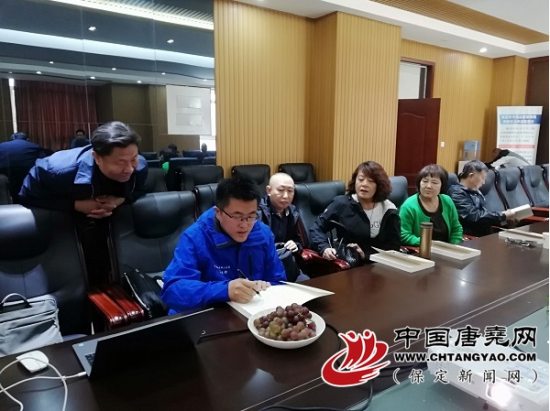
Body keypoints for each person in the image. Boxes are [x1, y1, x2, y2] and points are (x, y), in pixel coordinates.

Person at [161, 175, 286, 312]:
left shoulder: (263, 233)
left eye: (251, 216)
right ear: (218, 212)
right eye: (237, 216)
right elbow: (172, 290)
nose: (244, 225)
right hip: (206, 314)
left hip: (252, 312)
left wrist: (266, 287)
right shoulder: (195, 237)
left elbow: (278, 280)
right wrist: (225, 290)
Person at [19, 121, 148, 216]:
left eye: (133, 159)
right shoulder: (53, 171)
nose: (129, 169)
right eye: (120, 163)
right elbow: (26, 197)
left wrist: (121, 199)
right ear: (97, 158)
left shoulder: (140, 167)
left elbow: (140, 190)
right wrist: (76, 205)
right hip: (63, 224)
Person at [309, 161, 400, 264]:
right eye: (360, 179)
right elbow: (317, 228)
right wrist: (324, 247)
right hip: (349, 263)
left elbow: (393, 246)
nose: (364, 184)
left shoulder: (389, 209)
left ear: (379, 185)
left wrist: (365, 255)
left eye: (370, 181)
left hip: (380, 264)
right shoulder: (342, 204)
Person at [257, 172, 308, 282]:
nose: (286, 196)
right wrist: (281, 247)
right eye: (280, 190)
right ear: (268, 190)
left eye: (290, 191)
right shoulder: (257, 212)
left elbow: (301, 242)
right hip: (265, 269)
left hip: (288, 265)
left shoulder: (293, 211)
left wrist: (295, 245)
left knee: (308, 283)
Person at [399, 164, 463, 246]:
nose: (429, 186)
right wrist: (429, 244)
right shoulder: (409, 206)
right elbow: (404, 236)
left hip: (447, 249)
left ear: (442, 185)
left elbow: (456, 229)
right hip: (421, 250)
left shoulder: (447, 201)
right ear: (419, 183)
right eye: (425, 181)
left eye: (434, 182)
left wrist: (454, 247)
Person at [448, 160, 516, 237]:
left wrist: (504, 220)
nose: (483, 182)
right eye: (483, 178)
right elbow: (473, 216)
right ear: (471, 176)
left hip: (483, 233)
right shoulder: (456, 193)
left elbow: (484, 215)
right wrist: (502, 216)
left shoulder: (476, 191)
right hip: (470, 236)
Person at [0, 132, 46, 203]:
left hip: (4, 172)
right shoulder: (35, 146)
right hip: (25, 171)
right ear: (27, 139)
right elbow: (43, 160)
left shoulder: (1, 145)